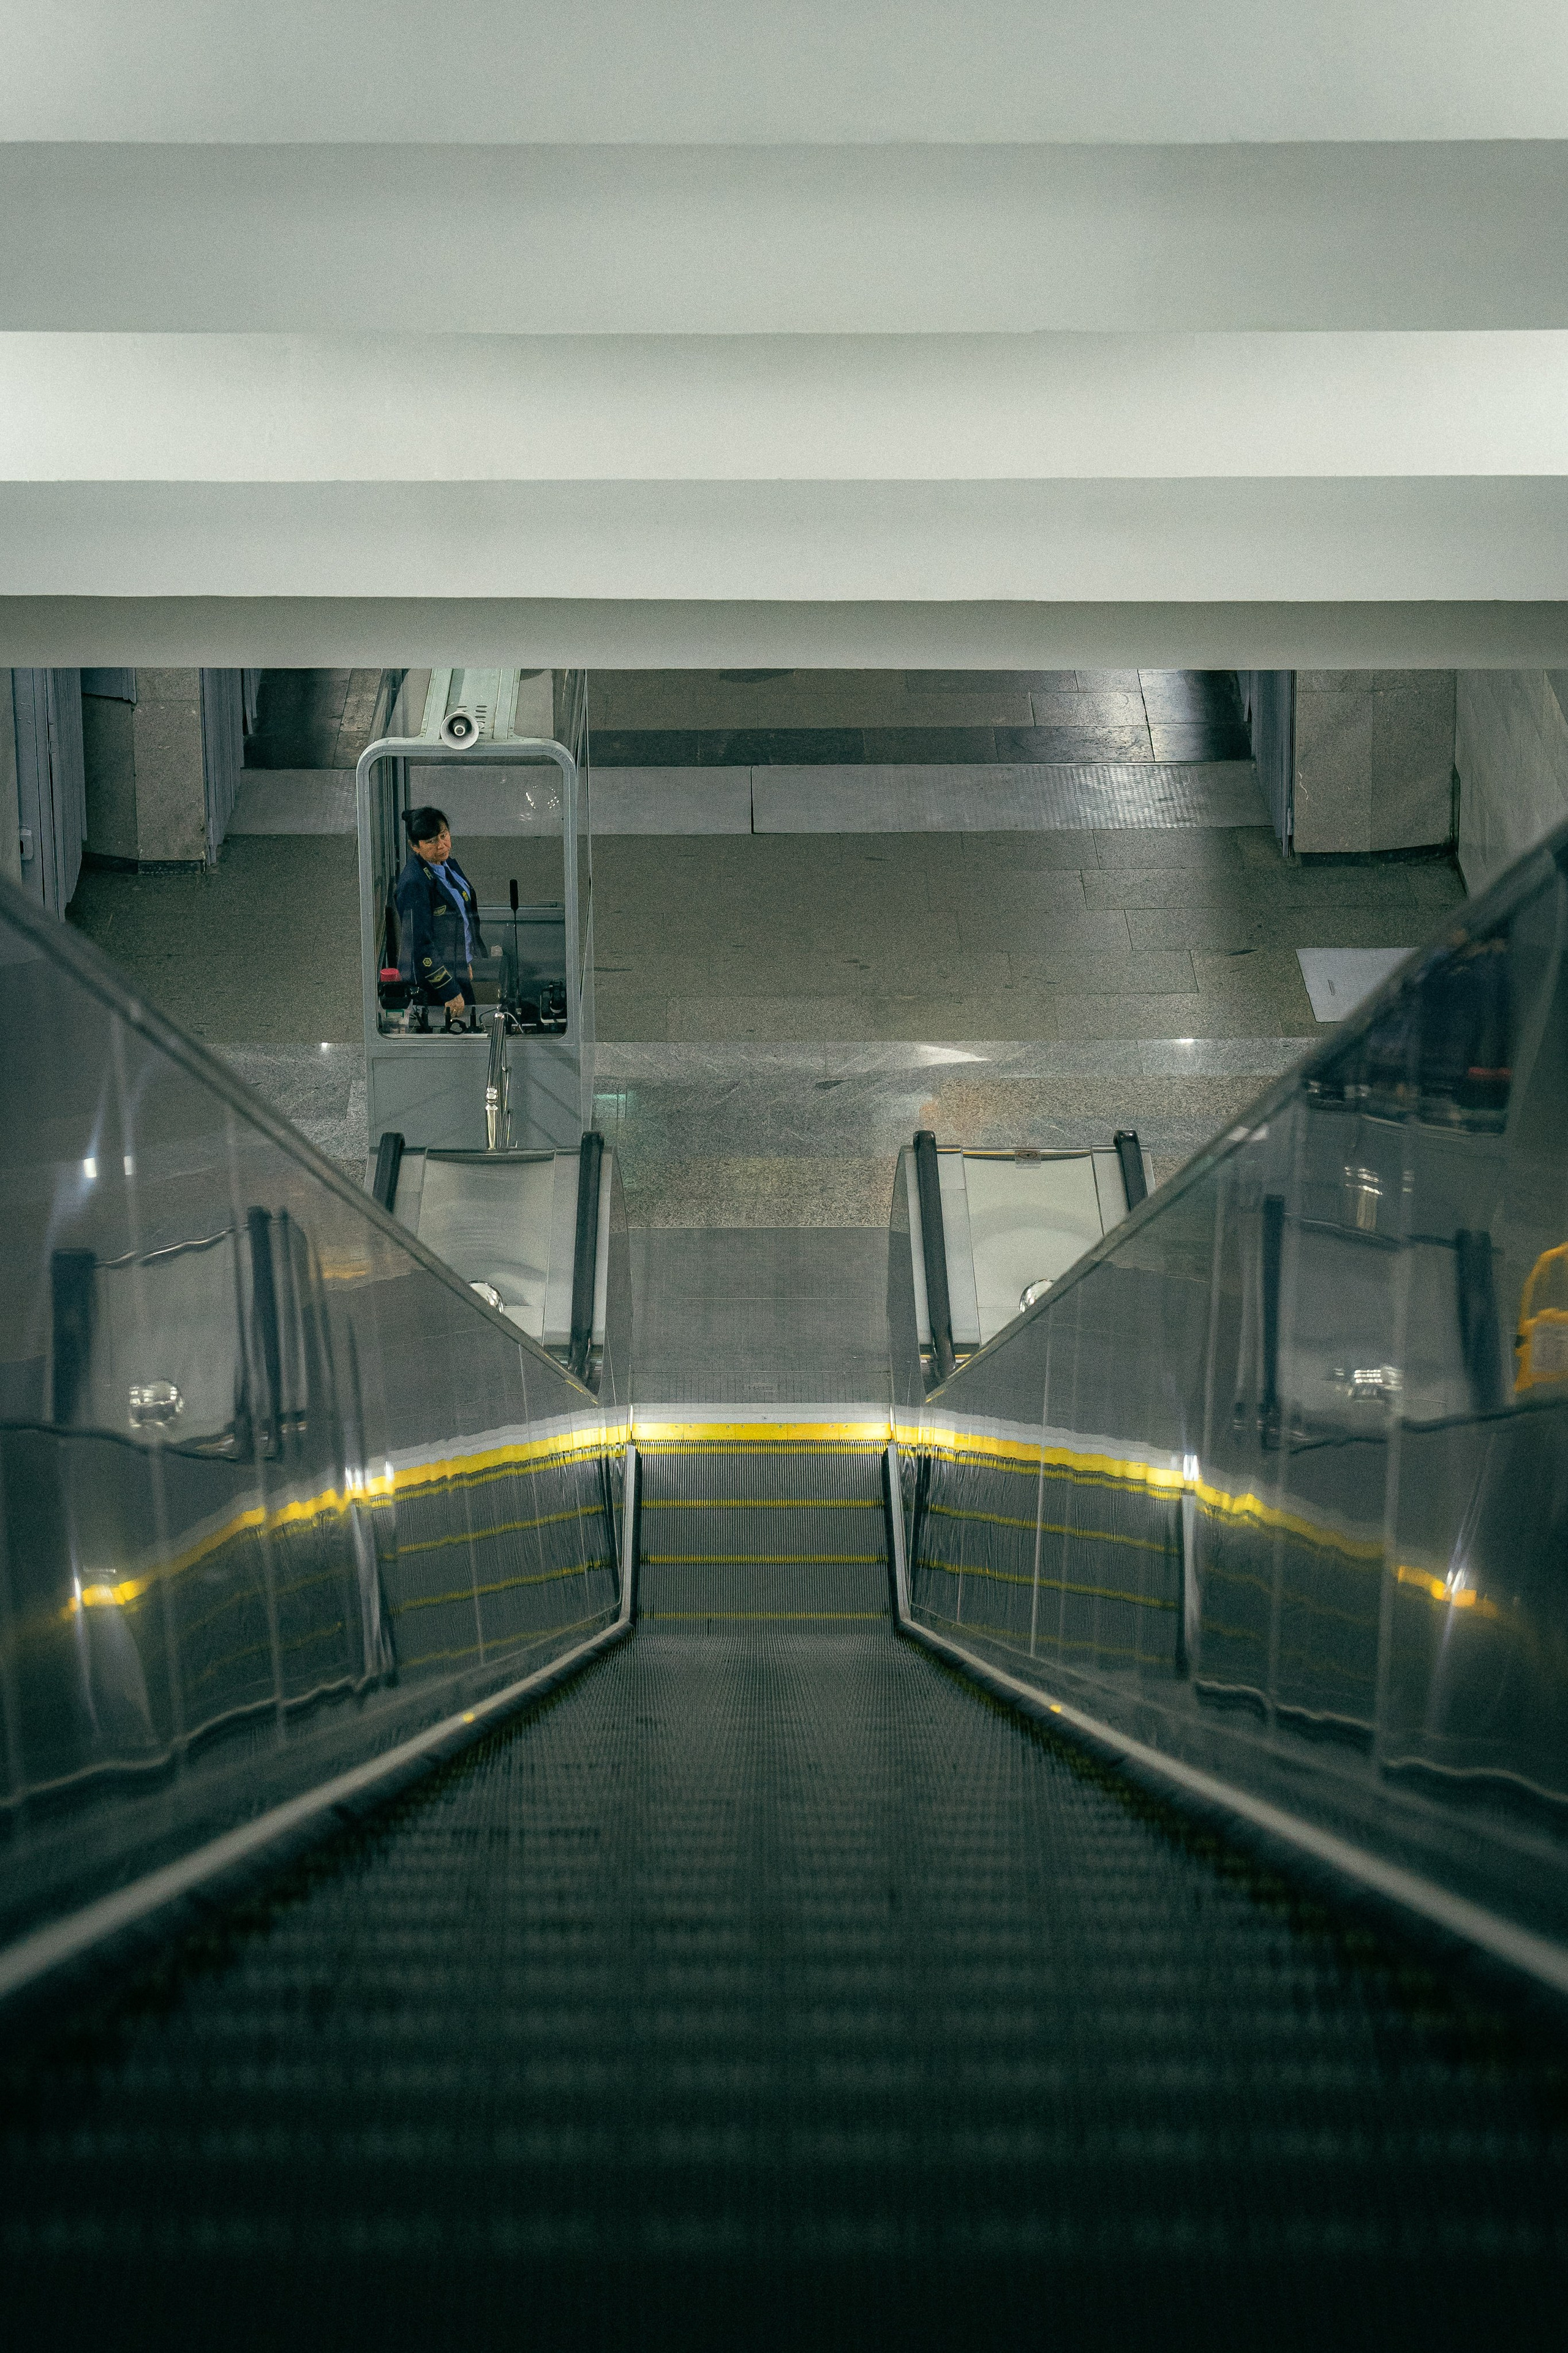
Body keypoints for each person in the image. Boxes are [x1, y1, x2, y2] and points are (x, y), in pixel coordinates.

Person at [394, 805, 486, 1025]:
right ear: (415, 847)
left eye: (444, 836)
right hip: (436, 984)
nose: (442, 845)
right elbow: (421, 945)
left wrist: (465, 958)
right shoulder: (415, 884)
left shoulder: (447, 865)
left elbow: (461, 914)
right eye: (431, 842)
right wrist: (449, 991)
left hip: (456, 965)